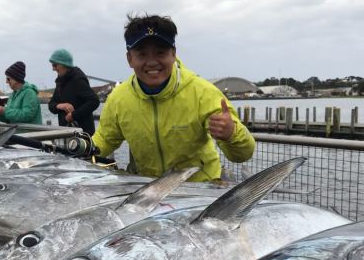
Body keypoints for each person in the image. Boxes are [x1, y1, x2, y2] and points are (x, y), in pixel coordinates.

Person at [91, 14, 255, 182]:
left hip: (199, 191)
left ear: (174, 54)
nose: (152, 62)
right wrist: (86, 150)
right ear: (129, 59)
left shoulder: (203, 93)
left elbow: (243, 155)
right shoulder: (118, 99)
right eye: (142, 54)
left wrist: (232, 134)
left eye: (160, 53)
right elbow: (104, 140)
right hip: (147, 192)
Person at [47, 49, 100, 136]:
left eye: (55, 65)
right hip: (66, 133)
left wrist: (73, 115)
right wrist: (60, 105)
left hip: (82, 134)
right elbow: (51, 105)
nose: (53, 68)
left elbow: (94, 101)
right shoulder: (60, 81)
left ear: (64, 64)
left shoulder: (78, 80)